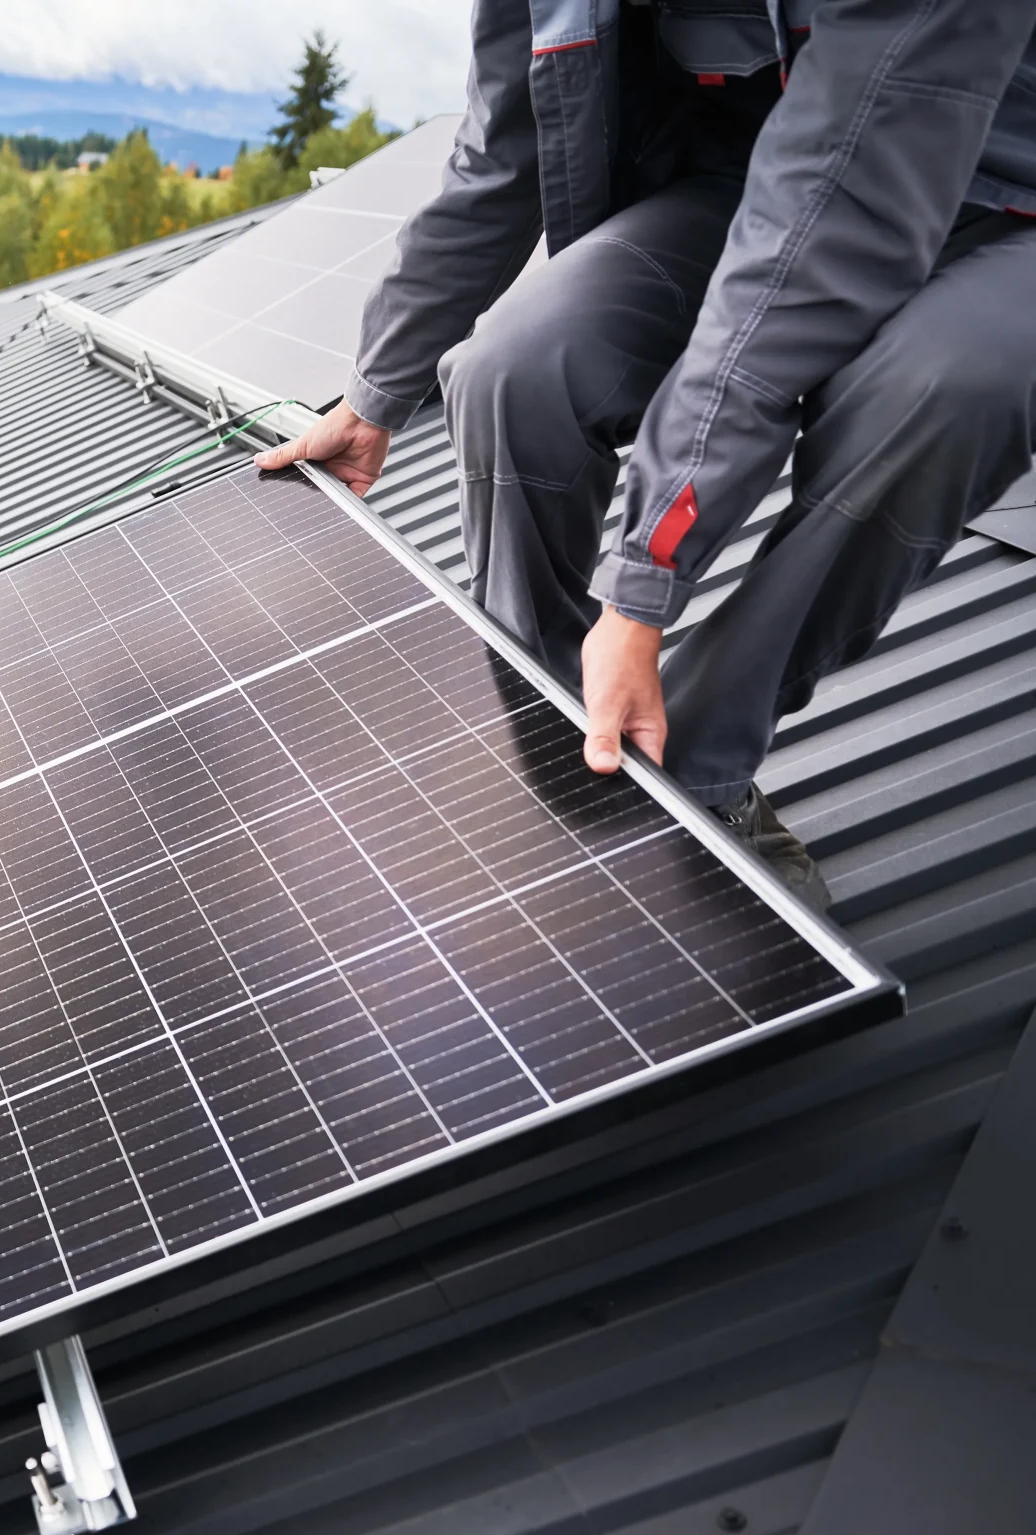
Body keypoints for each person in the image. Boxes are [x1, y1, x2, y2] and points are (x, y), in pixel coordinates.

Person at [259, 0, 1036, 908]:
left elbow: (831, 226)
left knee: (933, 397)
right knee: (513, 367)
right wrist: (377, 390)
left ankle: (695, 776)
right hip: (751, 186)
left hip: (999, 201)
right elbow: (505, 143)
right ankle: (567, 748)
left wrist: (640, 585)